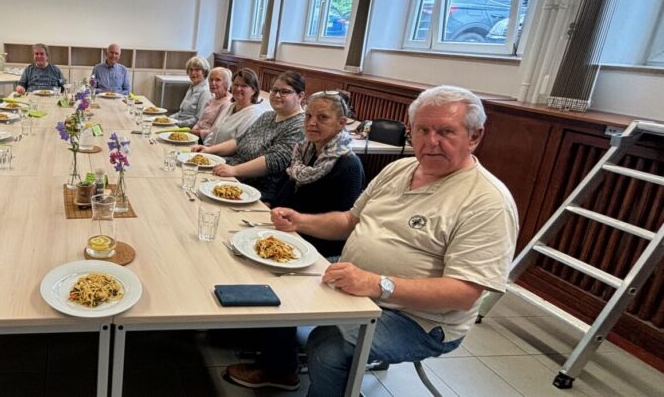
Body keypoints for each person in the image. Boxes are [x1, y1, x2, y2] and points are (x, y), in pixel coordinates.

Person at [225, 85, 518, 396]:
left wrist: (378, 284)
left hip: (419, 319)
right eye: (423, 130)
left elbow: (464, 293)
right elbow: (350, 221)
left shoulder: (487, 201)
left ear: (474, 136)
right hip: (359, 279)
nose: (431, 142)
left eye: (446, 131)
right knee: (278, 278)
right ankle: (280, 370)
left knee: (328, 348)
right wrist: (301, 221)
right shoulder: (400, 169)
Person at [271, 90, 364, 259]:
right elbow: (282, 191)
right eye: (308, 116)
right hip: (286, 234)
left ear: (341, 123)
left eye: (322, 117)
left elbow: (340, 228)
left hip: (316, 251)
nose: (312, 123)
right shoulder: (304, 151)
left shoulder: (348, 166)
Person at [191, 70, 306, 204]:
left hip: (255, 189)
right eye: (274, 90)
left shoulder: (299, 125)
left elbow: (273, 161)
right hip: (233, 174)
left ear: (300, 96)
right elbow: (239, 141)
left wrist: (234, 170)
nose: (277, 95)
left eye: (284, 92)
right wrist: (209, 150)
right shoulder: (268, 116)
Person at [203, 68, 271, 146]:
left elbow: (238, 145)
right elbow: (213, 132)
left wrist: (209, 150)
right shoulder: (230, 106)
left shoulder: (253, 114)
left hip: (224, 156)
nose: (238, 89)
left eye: (244, 86)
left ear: (254, 90)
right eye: (236, 84)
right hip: (207, 149)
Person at [189, 67, 232, 142]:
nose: (213, 83)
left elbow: (214, 132)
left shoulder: (227, 103)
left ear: (226, 83)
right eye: (211, 80)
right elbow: (200, 122)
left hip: (207, 141)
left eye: (218, 80)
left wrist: (193, 133)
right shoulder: (212, 99)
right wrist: (192, 131)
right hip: (196, 136)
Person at [168, 56, 212, 127]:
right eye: (191, 70)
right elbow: (182, 113)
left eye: (197, 70)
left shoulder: (205, 92)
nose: (193, 73)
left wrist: (176, 123)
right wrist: (169, 118)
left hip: (189, 129)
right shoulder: (192, 86)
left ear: (204, 72)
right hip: (180, 123)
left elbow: (198, 120)